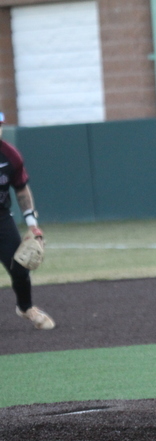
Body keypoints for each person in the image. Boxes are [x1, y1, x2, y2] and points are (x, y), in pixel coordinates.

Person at [0, 112, 55, 329]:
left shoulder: (10, 155)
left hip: (1, 218)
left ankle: (26, 307)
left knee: (20, 268)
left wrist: (32, 224)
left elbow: (21, 189)